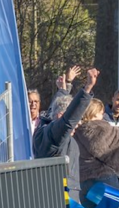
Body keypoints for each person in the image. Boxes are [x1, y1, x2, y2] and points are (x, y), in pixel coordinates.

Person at [32, 68, 96, 201]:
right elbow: (68, 120)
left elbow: (53, 109)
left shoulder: (44, 127)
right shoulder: (54, 136)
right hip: (60, 198)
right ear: (61, 116)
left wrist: (63, 89)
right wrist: (87, 89)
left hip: (52, 194)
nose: (77, 125)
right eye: (77, 121)